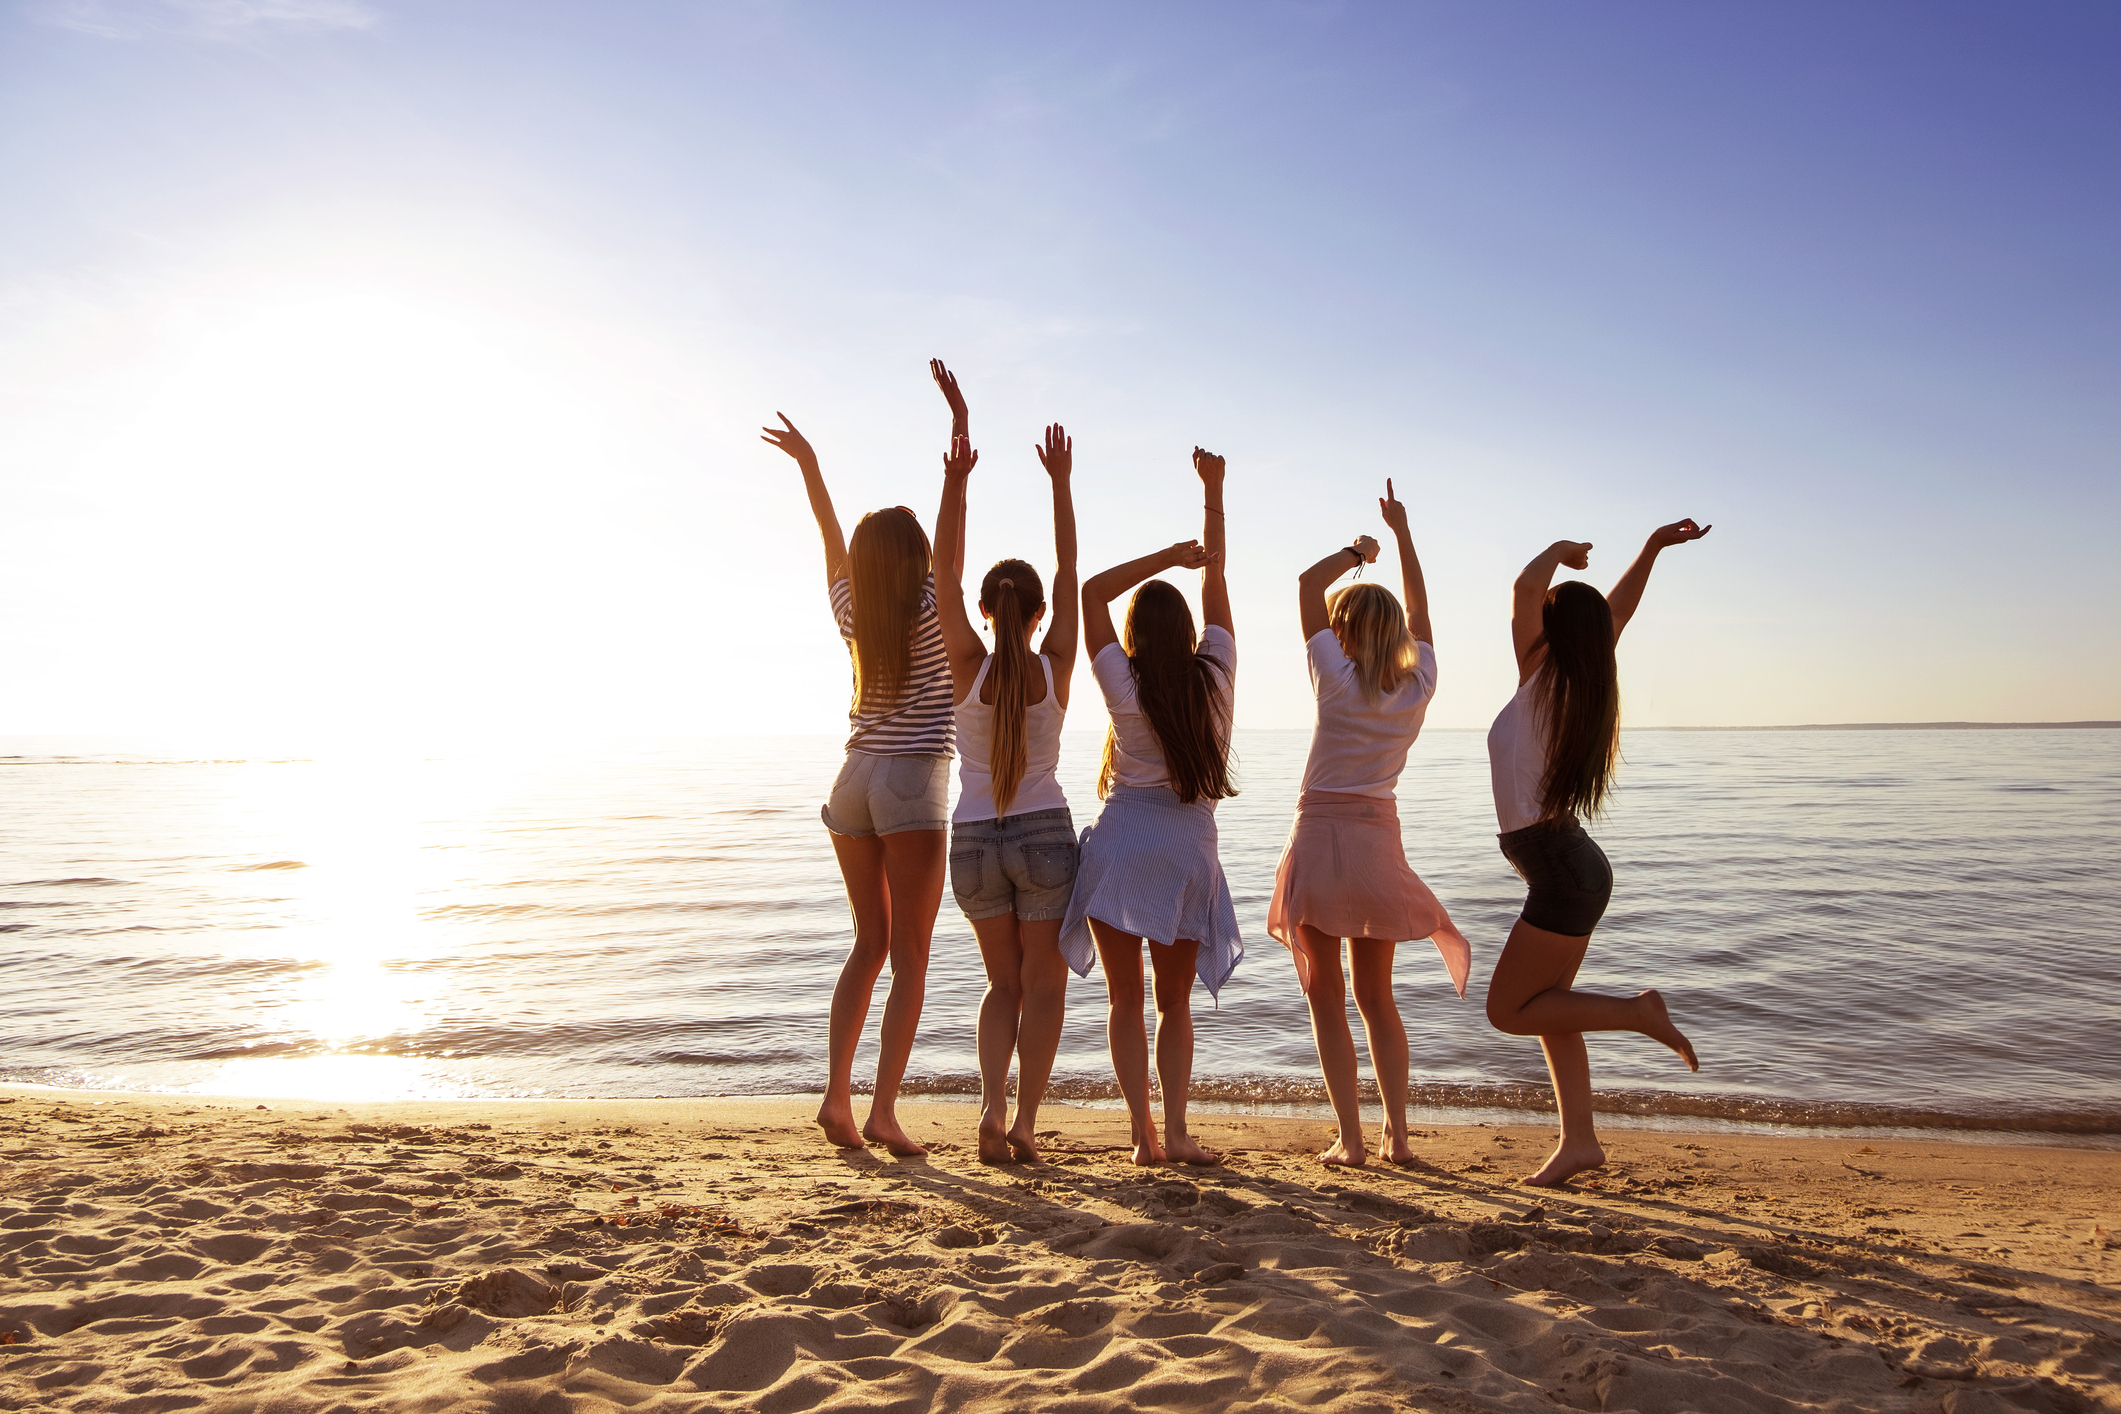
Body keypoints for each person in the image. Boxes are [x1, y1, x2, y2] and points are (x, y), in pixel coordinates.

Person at [759, 361, 968, 1158]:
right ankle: (881, 1111)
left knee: (867, 944)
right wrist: (958, 438)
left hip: (851, 782)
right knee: (910, 954)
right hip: (912, 778)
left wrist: (811, 467)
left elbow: (827, 534)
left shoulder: (851, 609)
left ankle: (837, 1098)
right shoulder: (930, 606)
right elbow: (949, 546)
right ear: (913, 558)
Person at [1484, 518, 1713, 1186]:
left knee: (1509, 1011)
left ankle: (1636, 1013)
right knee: (1550, 1007)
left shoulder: (1542, 672)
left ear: (1553, 634)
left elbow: (1527, 586)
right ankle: (1578, 1141)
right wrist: (1650, 548)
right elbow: (1613, 610)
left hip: (1560, 870)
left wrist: (1561, 552)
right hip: (1567, 866)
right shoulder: (1575, 679)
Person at [1267, 479, 1472, 1168]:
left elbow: (1302, 582)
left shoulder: (1334, 675)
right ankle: (1398, 1138)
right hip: (1376, 838)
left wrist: (1359, 550)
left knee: (1326, 997)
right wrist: (1405, 533)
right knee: (1375, 997)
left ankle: (1350, 1140)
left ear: (1345, 631)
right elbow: (1419, 608)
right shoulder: (1418, 687)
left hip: (1321, 839)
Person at [1058, 448, 1239, 1168]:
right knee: (1174, 1005)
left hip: (1121, 845)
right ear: (1188, 631)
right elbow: (1219, 576)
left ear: (1134, 636)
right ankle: (1180, 1131)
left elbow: (1090, 593)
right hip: (1186, 849)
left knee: (1123, 1003)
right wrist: (1213, 492)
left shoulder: (1121, 686)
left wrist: (1165, 554)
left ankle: (1142, 1138)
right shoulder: (1215, 677)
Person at [932, 416, 1081, 1165]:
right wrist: (1060, 484)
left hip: (972, 841)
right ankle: (1023, 1123)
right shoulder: (1056, 662)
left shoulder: (967, 665)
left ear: (988, 613)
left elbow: (941, 579)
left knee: (1001, 987)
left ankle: (989, 1108)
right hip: (1044, 837)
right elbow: (1069, 569)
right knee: (1044, 989)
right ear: (1039, 615)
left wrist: (956, 481)